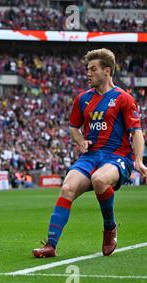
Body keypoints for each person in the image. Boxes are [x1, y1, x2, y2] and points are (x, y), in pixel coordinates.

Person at [32, 48, 147, 258]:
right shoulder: (82, 99)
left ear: (107, 71)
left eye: (93, 69)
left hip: (117, 157)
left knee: (99, 180)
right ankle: (51, 245)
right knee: (67, 188)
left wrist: (138, 161)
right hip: (90, 156)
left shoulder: (124, 98)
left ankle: (109, 229)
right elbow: (74, 127)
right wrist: (80, 140)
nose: (88, 73)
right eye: (87, 69)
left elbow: (136, 131)